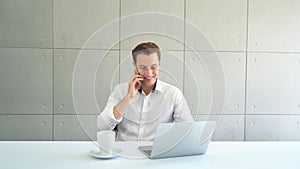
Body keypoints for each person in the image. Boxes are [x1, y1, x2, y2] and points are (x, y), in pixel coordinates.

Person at [97, 42, 194, 141]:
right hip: (124, 152)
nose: (149, 73)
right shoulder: (120, 91)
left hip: (157, 153)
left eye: (153, 67)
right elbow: (102, 126)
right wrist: (128, 97)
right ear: (135, 66)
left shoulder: (173, 94)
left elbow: (188, 131)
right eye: (143, 67)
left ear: (159, 65)